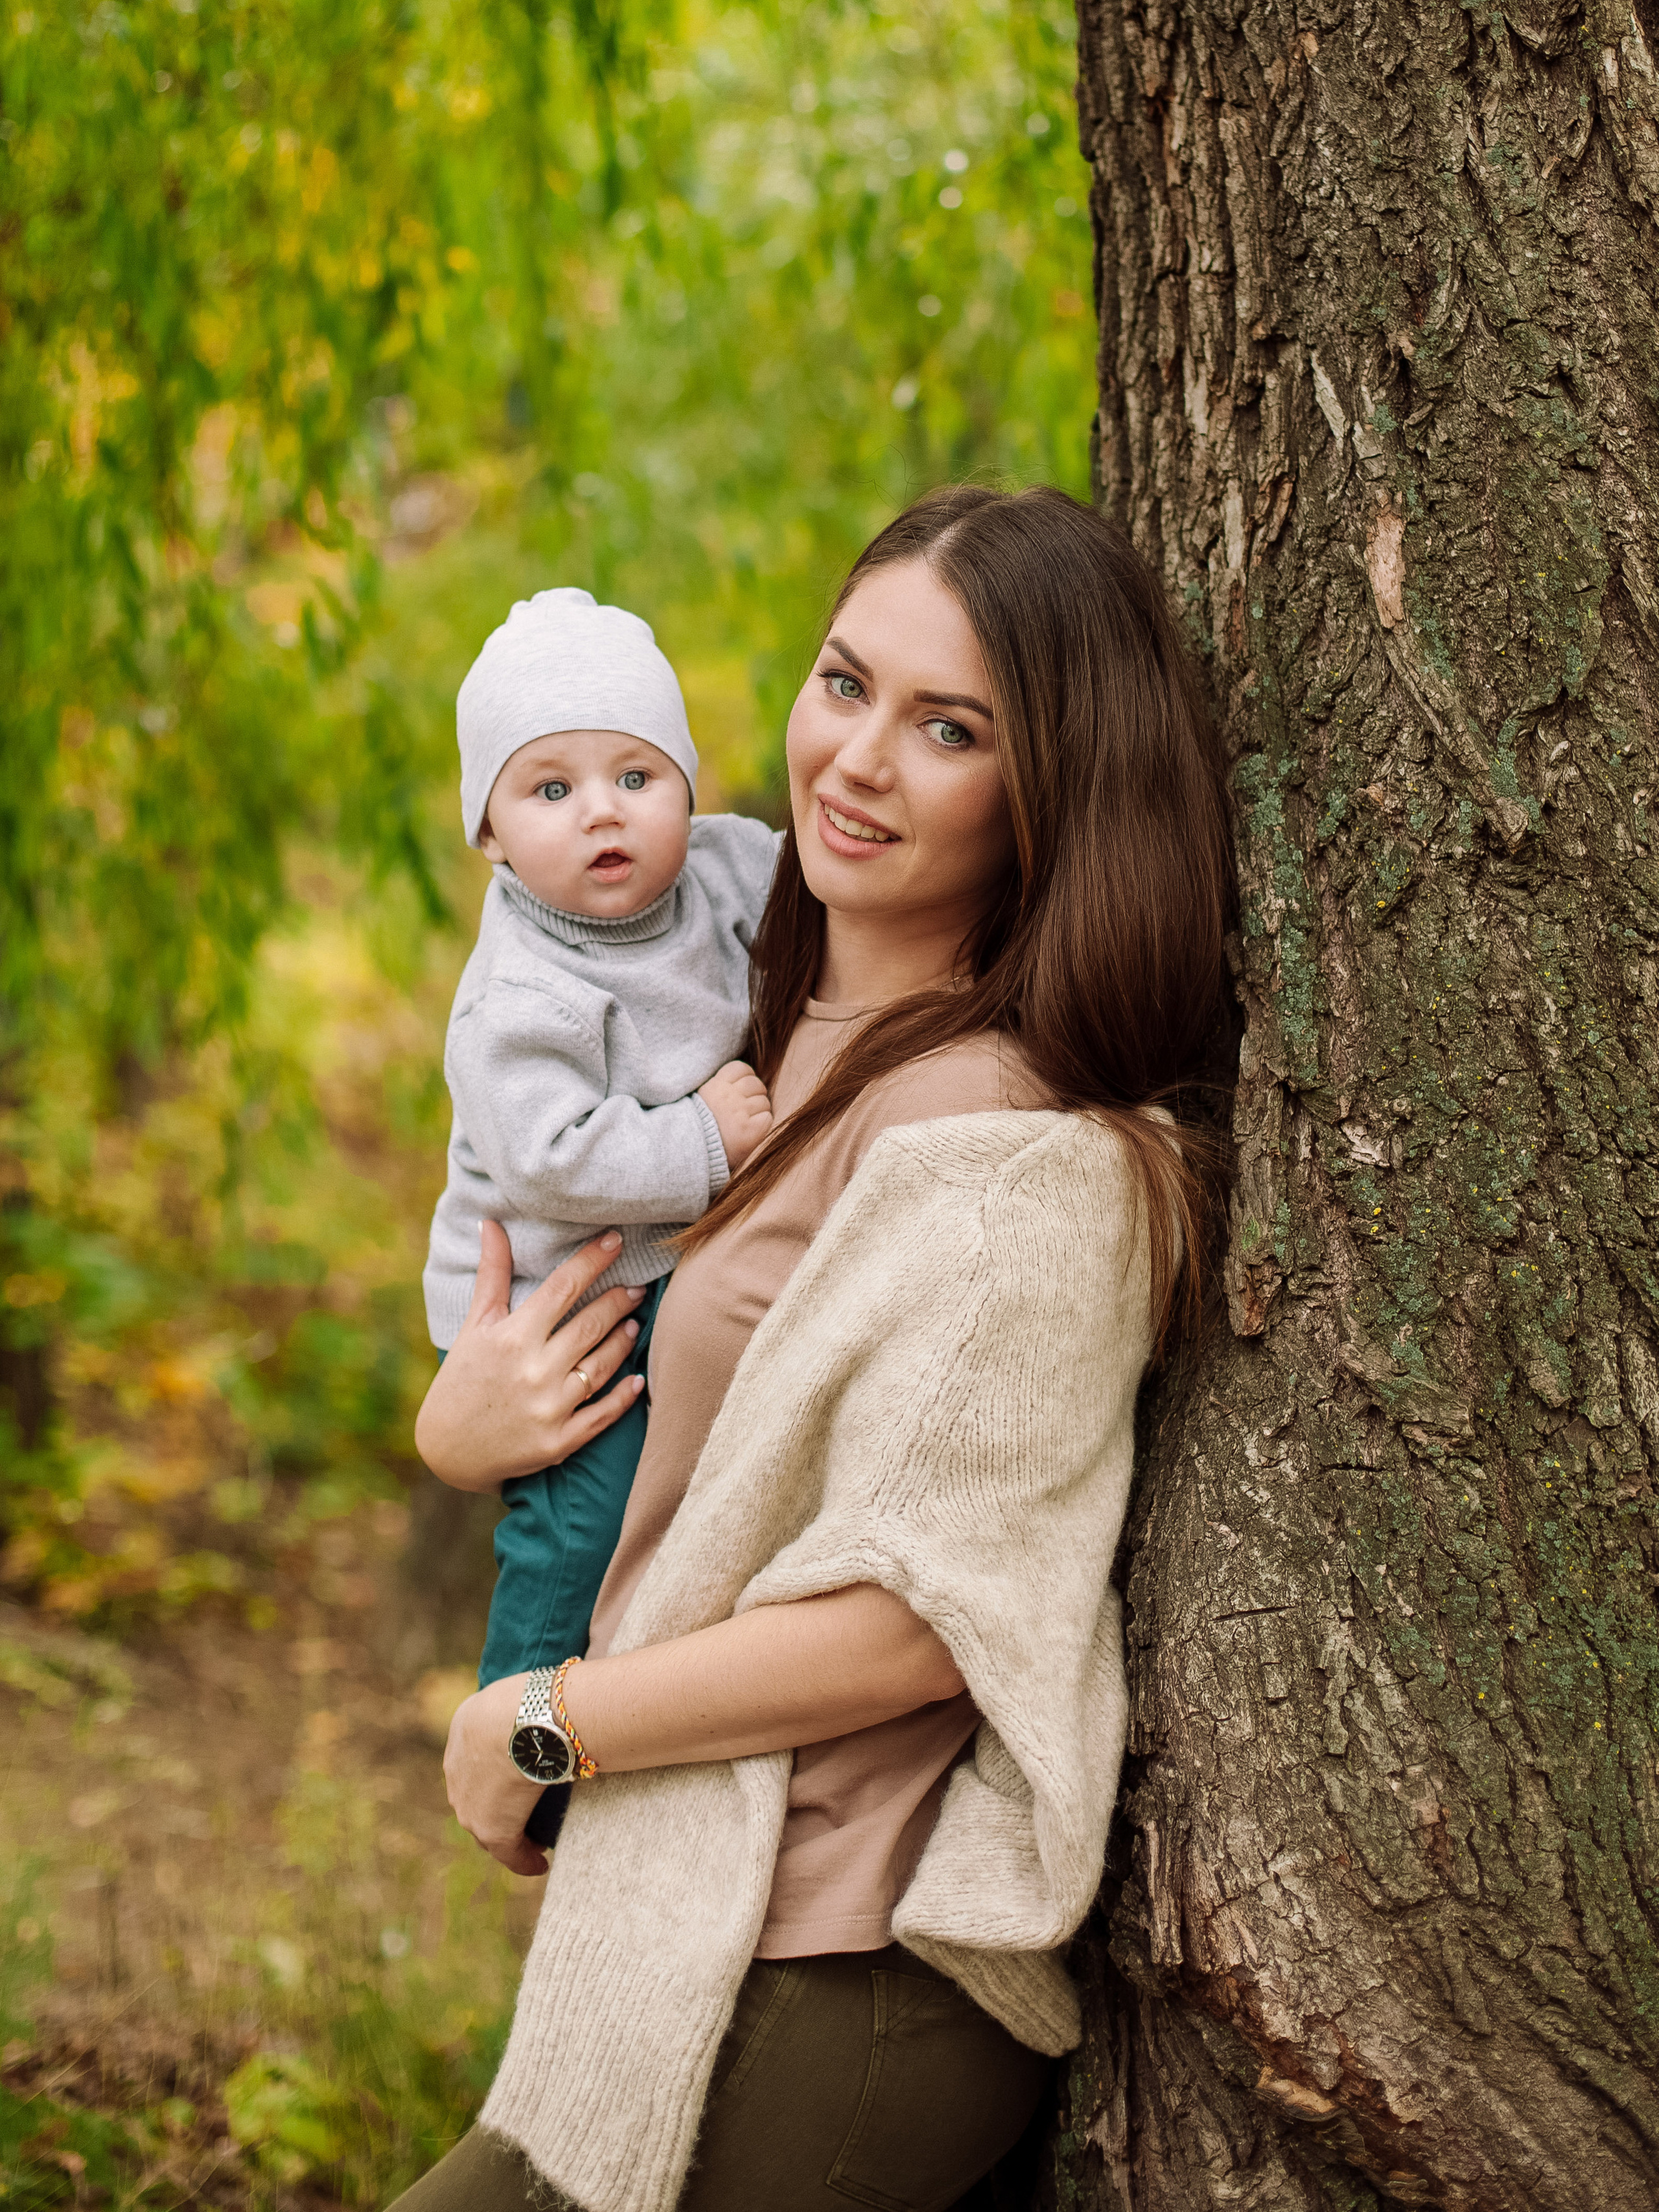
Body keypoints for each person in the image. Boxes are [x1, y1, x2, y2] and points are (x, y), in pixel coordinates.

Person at [398, 485, 1233, 2212]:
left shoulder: (1005, 1139)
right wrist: (466, 1427)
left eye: (948, 728)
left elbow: (920, 1622)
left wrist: (541, 1722)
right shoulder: (750, 1022)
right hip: (690, 1915)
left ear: (1051, 786)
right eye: (845, 683)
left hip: (848, 1955)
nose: (856, 759)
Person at [423, 586, 778, 1840]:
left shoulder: (727, 865)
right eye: (551, 788)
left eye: (637, 773)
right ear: (492, 832)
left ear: (687, 782)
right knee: (581, 1524)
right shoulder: (521, 991)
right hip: (560, 1299)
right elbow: (551, 1159)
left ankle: (640, 1732)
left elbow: (820, 900)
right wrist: (705, 1140)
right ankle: (521, 1757)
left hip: (660, 1254)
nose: (603, 810)